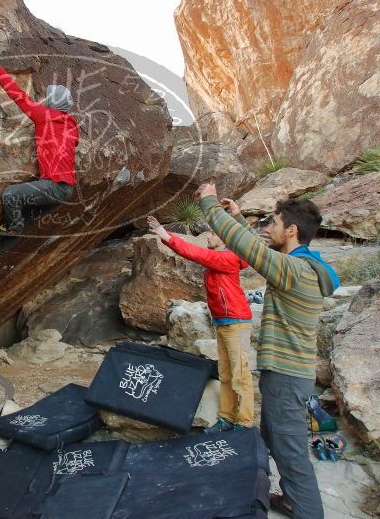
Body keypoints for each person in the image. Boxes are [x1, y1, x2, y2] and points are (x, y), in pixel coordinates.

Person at [194, 184, 340, 519]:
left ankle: (306, 510)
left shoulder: (294, 270)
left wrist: (209, 203)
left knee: (291, 455)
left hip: (288, 379)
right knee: (274, 439)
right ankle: (290, 499)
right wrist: (237, 218)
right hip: (285, 376)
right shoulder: (299, 264)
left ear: (291, 230)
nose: (267, 229)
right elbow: (260, 248)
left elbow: (250, 249)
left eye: (272, 223)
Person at [146, 215, 254, 432]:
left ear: (224, 239)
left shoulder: (226, 257)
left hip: (236, 320)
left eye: (213, 233)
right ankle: (227, 417)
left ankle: (244, 422)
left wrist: (166, 236)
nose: (208, 236)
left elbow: (196, 253)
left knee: (239, 373)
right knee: (225, 371)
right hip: (224, 320)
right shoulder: (223, 256)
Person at [0, 52, 78, 265]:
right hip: (65, 191)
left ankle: (14, 226)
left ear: (53, 103)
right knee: (27, 216)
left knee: (11, 196)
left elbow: (18, 96)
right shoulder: (71, 124)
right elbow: (73, 142)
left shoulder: (45, 116)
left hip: (53, 186)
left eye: (49, 98)